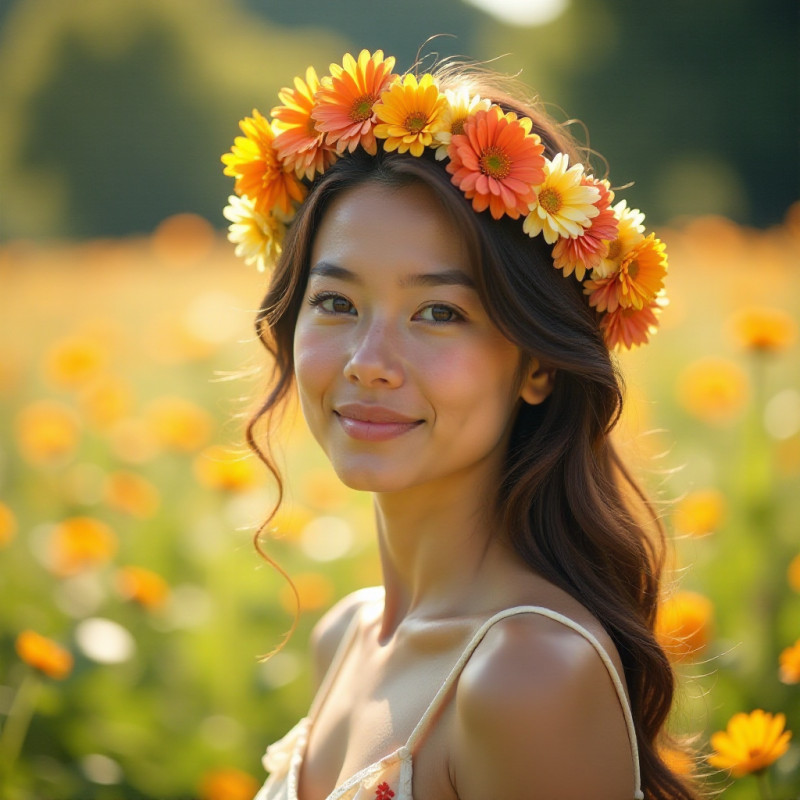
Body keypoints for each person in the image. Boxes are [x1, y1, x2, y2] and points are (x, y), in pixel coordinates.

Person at [221, 49, 697, 800]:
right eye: (337, 303)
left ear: (537, 364)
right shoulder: (344, 636)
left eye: (439, 313)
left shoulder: (528, 675)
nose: (368, 362)